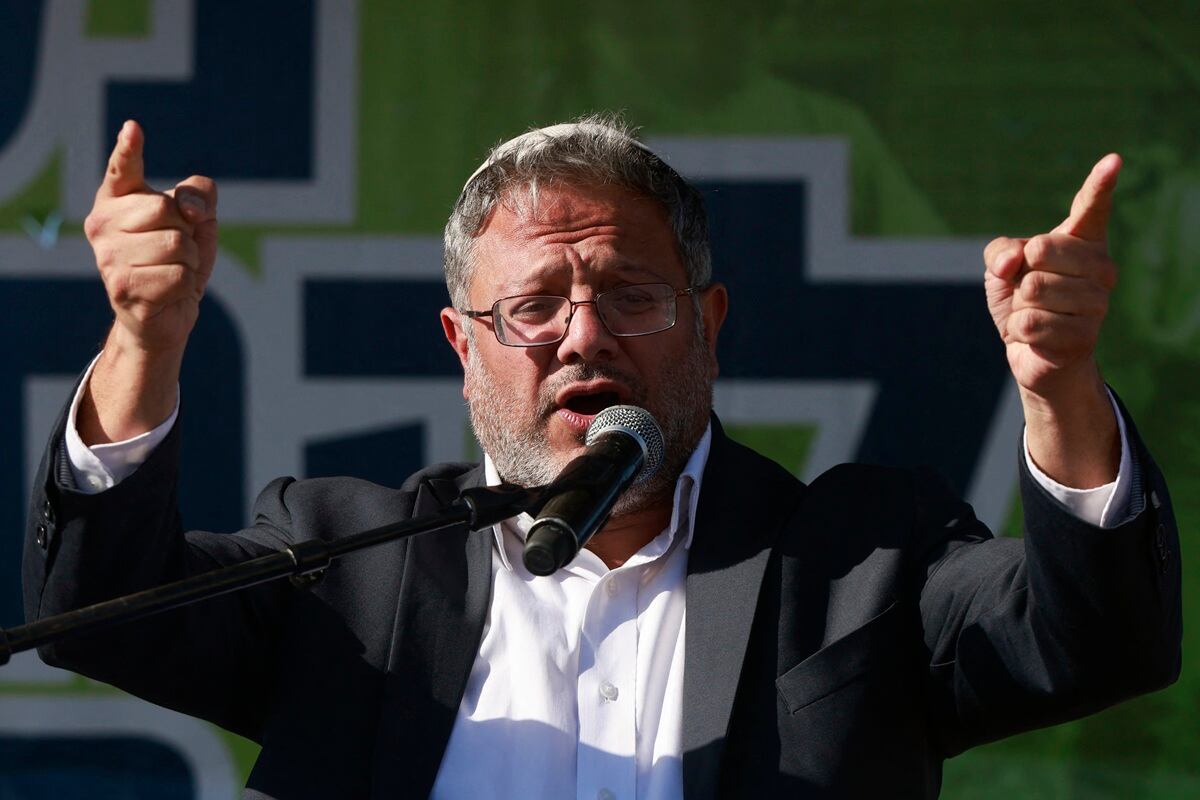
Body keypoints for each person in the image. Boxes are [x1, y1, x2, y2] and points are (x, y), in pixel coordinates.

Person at [24, 116, 1180, 799]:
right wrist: (145, 340)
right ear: (461, 346)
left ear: (710, 325)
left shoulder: (857, 564)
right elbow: (101, 610)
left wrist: (1058, 385)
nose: (583, 333)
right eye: (533, 304)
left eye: (630, 294)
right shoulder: (349, 568)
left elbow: (1096, 636)